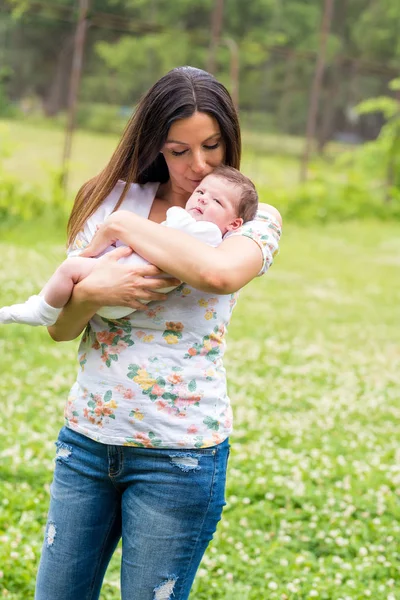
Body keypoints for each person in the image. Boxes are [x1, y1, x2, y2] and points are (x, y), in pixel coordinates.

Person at [33, 66, 282, 600]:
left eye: (212, 147)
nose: (198, 167)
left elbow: (217, 274)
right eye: (178, 150)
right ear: (153, 145)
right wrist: (96, 294)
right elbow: (62, 329)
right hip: (87, 441)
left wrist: (123, 229)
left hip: (179, 455)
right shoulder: (109, 200)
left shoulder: (248, 218)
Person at [0, 166, 258, 325]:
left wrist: (124, 228)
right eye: (201, 192)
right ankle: (45, 305)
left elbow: (167, 231)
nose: (202, 200)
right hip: (117, 289)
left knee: (71, 268)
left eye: (217, 202)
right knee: (76, 268)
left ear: (235, 224)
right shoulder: (215, 237)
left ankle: (41, 309)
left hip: (123, 290)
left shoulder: (205, 230)